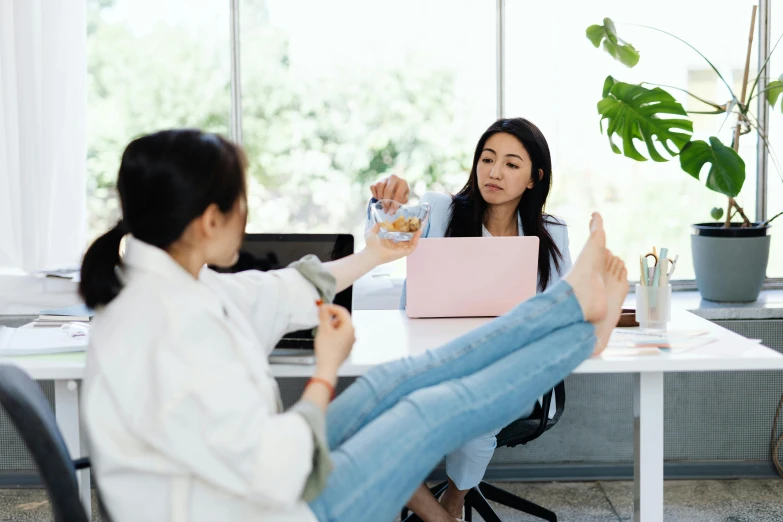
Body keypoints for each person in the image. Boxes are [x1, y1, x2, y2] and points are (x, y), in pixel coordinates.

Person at [80, 128, 628, 522]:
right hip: (269, 505)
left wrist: (374, 254)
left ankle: (572, 310)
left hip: (254, 477)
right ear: (208, 220)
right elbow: (273, 471)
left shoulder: (174, 284)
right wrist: (324, 373)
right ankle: (582, 331)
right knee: (426, 410)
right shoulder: (169, 324)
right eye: (242, 202)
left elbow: (279, 290)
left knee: (399, 381)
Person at [368, 117, 569, 520]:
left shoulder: (551, 233)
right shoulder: (440, 212)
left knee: (474, 413)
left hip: (511, 374)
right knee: (373, 427)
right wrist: (386, 207)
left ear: (534, 178)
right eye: (487, 159)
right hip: (434, 365)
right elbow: (389, 238)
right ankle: (440, 516)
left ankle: (452, 503)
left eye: (512, 164)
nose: (494, 172)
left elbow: (559, 317)